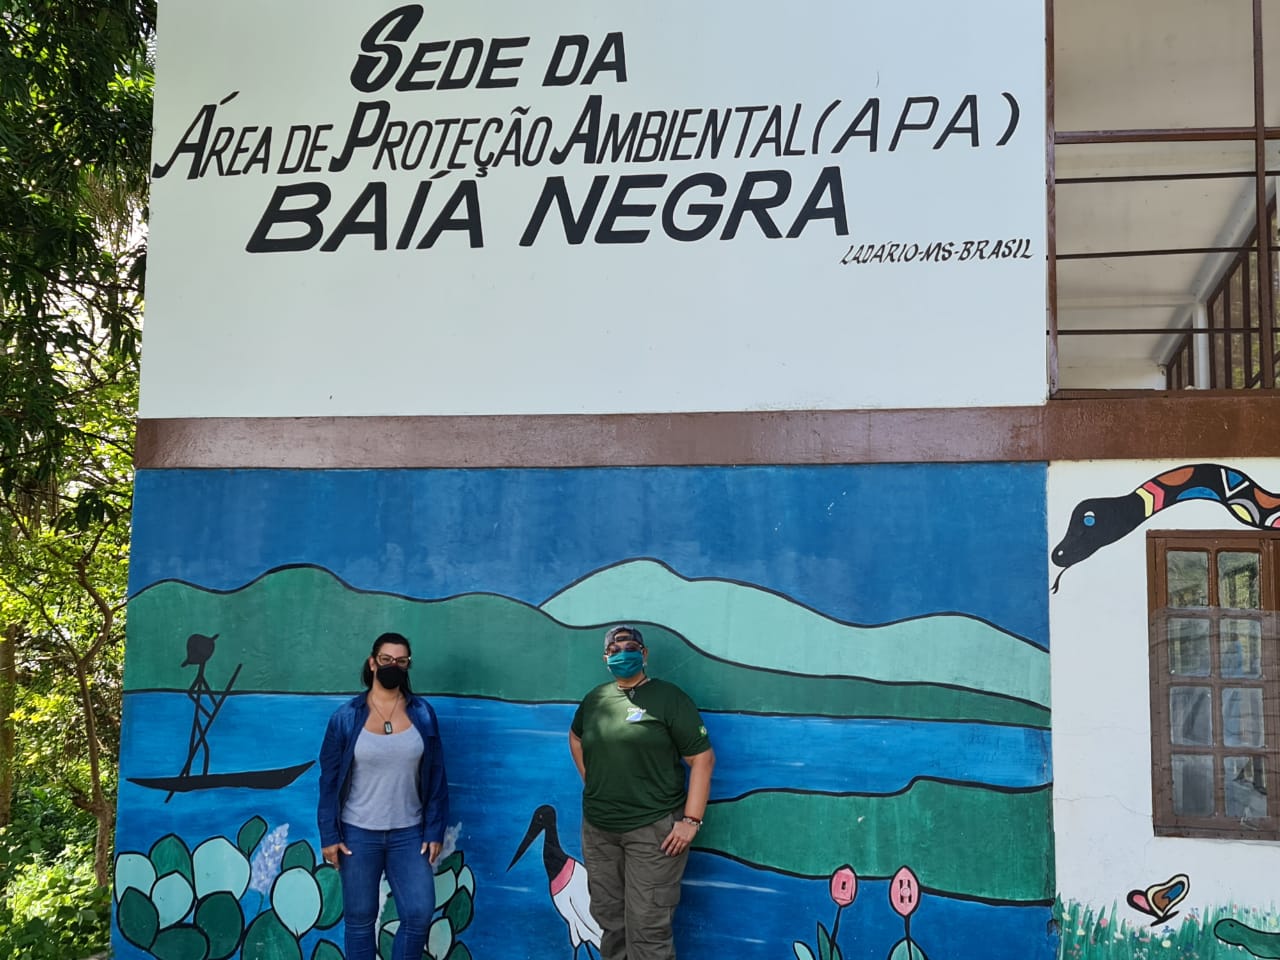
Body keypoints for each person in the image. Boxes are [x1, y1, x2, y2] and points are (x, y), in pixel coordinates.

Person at [569, 624, 715, 960]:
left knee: (648, 928)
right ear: (605, 658)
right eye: (614, 651)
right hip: (599, 830)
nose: (622, 655)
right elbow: (576, 738)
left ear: (644, 654)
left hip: (653, 831)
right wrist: (593, 780)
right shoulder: (595, 700)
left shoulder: (669, 699)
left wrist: (691, 821)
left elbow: (703, 759)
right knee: (610, 922)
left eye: (630, 648)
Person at [317, 632, 449, 960]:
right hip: (357, 834)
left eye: (401, 661)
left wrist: (434, 830)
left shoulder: (423, 714)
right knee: (360, 920)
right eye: (387, 659)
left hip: (410, 833)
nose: (393, 666)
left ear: (408, 666)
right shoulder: (346, 717)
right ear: (373, 663)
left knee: (418, 913)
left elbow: (436, 775)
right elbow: (329, 781)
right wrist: (329, 835)